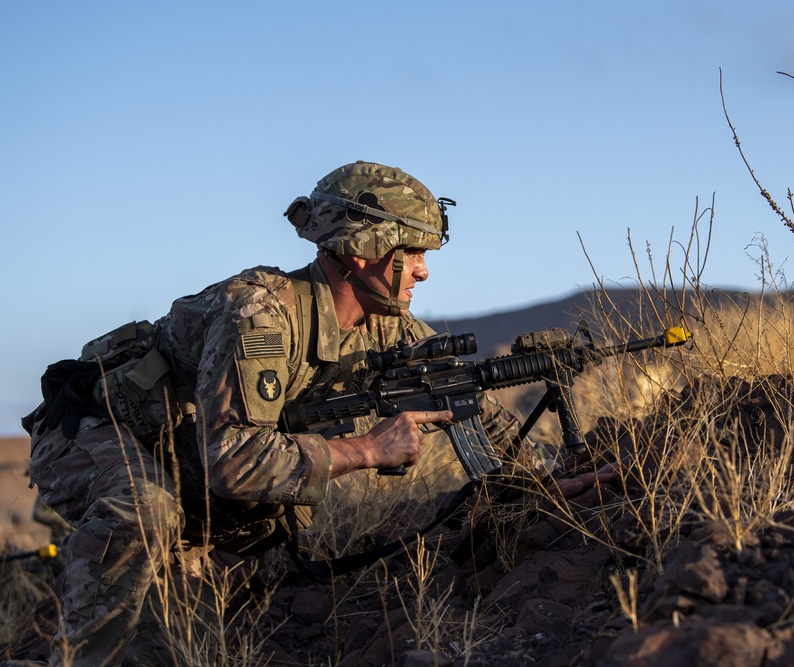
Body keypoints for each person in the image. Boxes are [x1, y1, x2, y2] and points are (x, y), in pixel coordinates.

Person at [21, 161, 585, 667]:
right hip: (94, 431)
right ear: (364, 249)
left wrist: (548, 485)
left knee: (172, 649)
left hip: (179, 449)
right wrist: (367, 450)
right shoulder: (261, 316)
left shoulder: (390, 325)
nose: (423, 271)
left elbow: (472, 404)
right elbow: (232, 461)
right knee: (143, 509)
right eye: (411, 253)